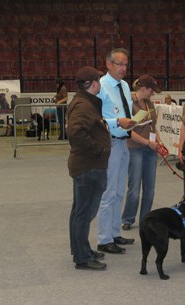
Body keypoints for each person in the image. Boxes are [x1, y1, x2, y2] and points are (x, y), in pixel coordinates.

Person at [67, 66, 109, 271]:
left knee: (80, 212)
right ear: (93, 84)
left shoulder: (85, 102)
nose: (100, 84)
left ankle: (81, 250)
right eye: (99, 80)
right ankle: (82, 257)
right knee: (84, 213)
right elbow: (76, 133)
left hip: (87, 165)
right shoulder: (84, 105)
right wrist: (98, 149)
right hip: (89, 166)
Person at [96, 48, 136, 254]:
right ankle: (103, 239)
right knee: (109, 192)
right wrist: (117, 122)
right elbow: (95, 119)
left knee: (120, 191)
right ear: (108, 64)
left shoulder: (125, 85)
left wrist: (131, 122)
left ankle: (114, 232)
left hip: (123, 143)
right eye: (119, 64)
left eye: (126, 64)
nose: (123, 68)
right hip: (110, 142)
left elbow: (125, 110)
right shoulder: (101, 86)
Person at [121, 75, 163, 231]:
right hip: (135, 149)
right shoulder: (128, 104)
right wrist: (148, 143)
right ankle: (128, 218)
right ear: (143, 88)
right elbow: (128, 132)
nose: (153, 94)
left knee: (150, 188)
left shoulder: (149, 104)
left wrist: (158, 142)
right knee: (134, 188)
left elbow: (153, 126)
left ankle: (146, 219)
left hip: (151, 149)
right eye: (151, 90)